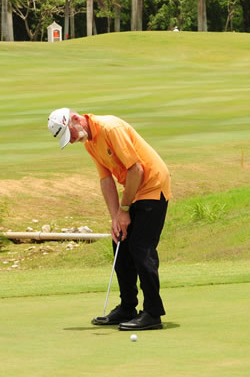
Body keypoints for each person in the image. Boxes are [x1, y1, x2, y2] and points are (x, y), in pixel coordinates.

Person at [47, 108, 171, 331]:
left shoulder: (110, 128)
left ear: (76, 119)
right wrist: (116, 217)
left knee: (141, 248)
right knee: (120, 243)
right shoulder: (90, 142)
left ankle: (152, 312)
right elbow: (106, 180)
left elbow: (136, 169)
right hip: (134, 190)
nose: (73, 141)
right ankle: (127, 307)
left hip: (153, 186)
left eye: (71, 135)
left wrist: (124, 210)